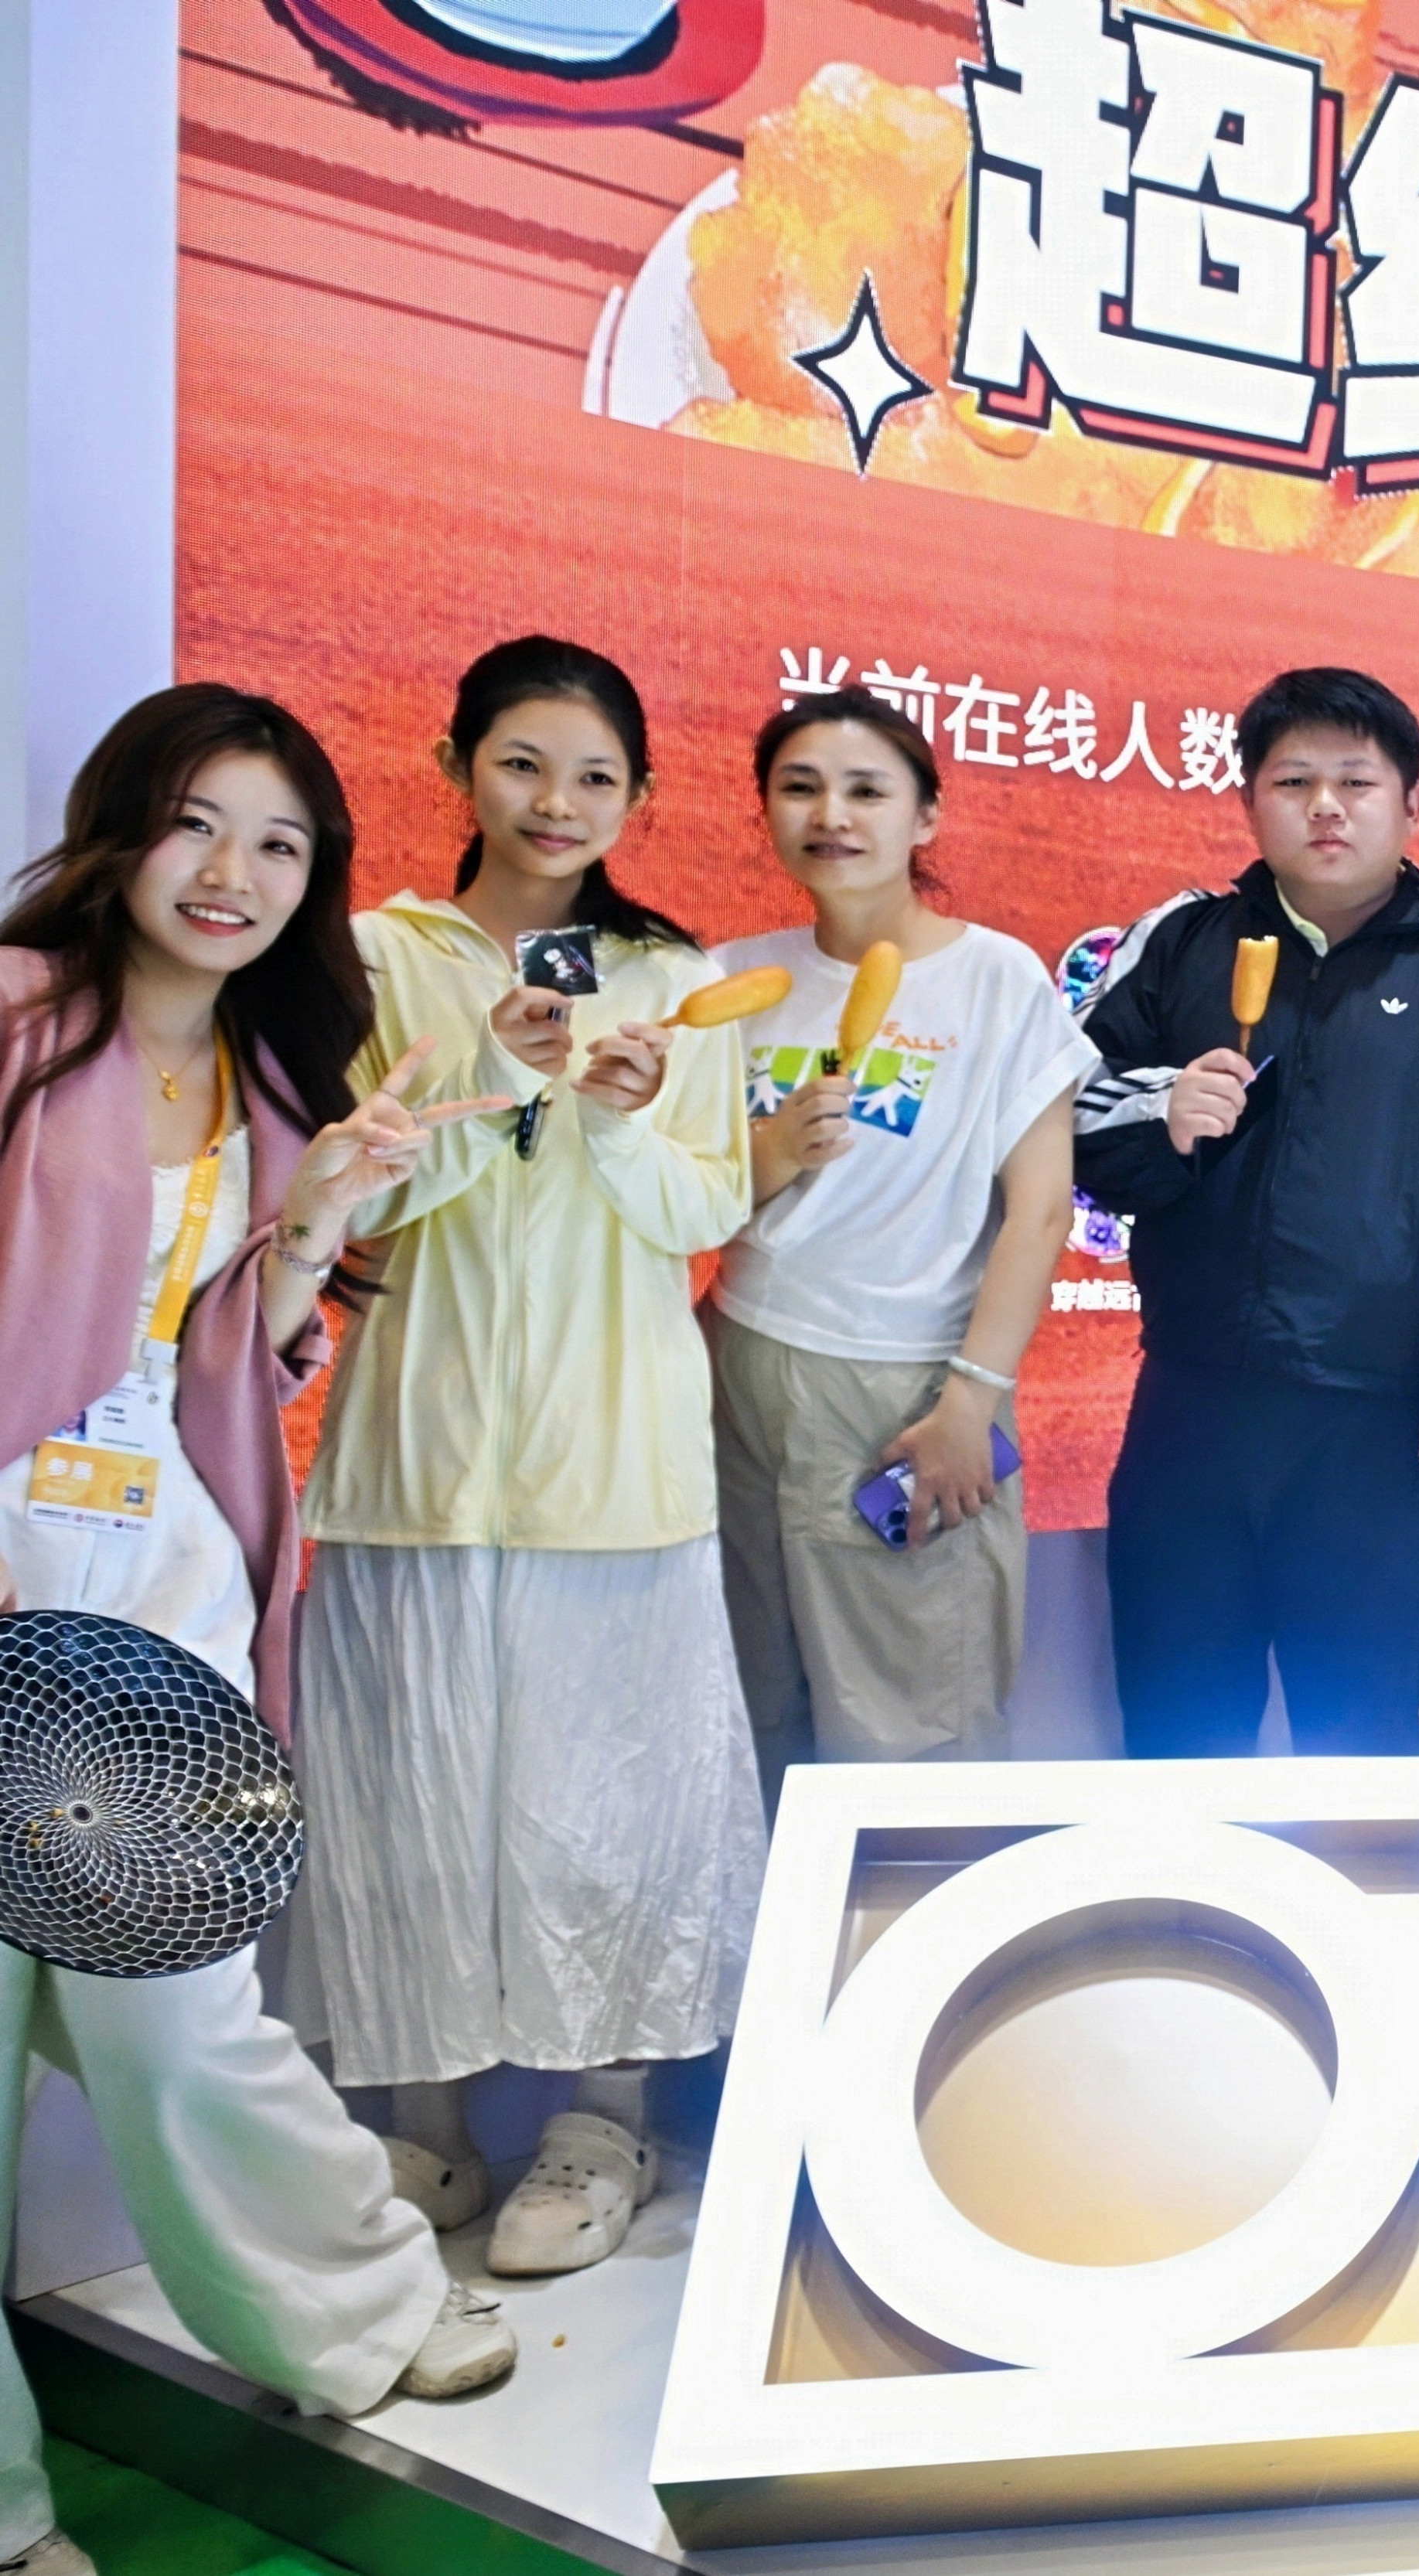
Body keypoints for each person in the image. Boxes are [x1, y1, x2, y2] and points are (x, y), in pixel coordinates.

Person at [0, 687, 529, 2576]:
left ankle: (354, 2311)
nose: (232, 873)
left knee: (181, 2010)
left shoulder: (275, 1075)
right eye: (198, 824)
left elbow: (249, 1351)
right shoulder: (15, 1016)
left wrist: (314, 1222)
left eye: (281, 843)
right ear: (122, 828)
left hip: (163, 1579)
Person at [288, 635, 769, 2281]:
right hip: (412, 1456)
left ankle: (600, 2121)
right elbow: (352, 1203)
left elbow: (706, 1208)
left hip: (616, 1464)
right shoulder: (370, 955)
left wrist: (618, 1117)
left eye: (595, 776)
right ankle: (419, 2122)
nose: (557, 802)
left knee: (606, 1813)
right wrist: (502, 1074)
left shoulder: (673, 976)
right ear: (456, 766)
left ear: (639, 796)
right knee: (410, 1807)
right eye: (521, 763)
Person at [1071, 667, 1419, 1760]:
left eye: (1357, 780)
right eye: (1294, 780)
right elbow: (1054, 1115)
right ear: (1249, 799)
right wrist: (1162, 1111)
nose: (1327, 807)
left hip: (1371, 1427)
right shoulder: (1182, 941)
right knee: (1174, 1727)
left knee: (1362, 1739)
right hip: (1189, 1403)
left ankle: (1368, 1882)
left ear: (1413, 804)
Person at [708, 689, 1092, 1782]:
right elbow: (689, 1199)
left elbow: (1041, 1210)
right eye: (800, 788)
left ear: (925, 817)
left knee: (914, 1717)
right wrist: (770, 1150)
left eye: (866, 790)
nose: (831, 814)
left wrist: (972, 1398)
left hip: (907, 1389)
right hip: (739, 1366)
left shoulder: (997, 978)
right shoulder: (731, 976)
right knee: (755, 1697)